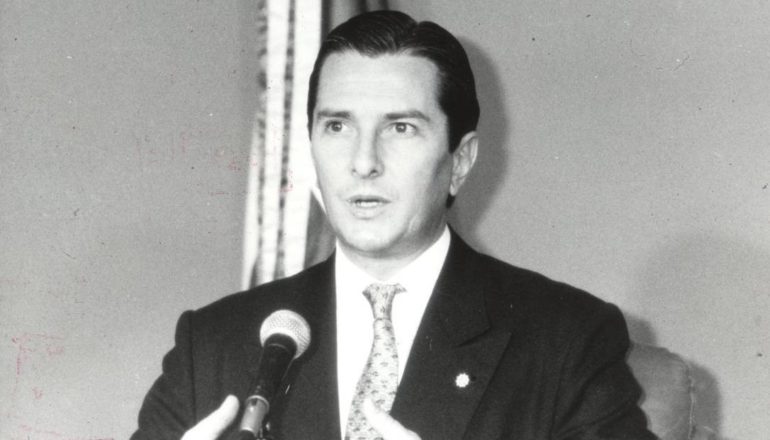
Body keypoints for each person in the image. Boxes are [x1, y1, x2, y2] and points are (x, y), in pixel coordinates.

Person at [131, 10, 655, 440]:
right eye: (338, 126)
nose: (363, 162)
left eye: (400, 128)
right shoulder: (212, 346)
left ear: (461, 160)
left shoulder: (566, 340)